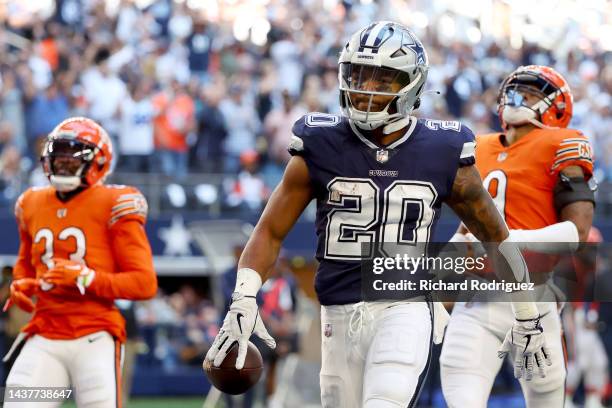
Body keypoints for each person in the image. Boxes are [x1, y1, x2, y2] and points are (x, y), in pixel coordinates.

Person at [206, 21, 547, 408]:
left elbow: (494, 235)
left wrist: (526, 314)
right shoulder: (320, 143)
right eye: (359, 74)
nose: (366, 88)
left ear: (411, 85)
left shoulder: (443, 149)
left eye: (383, 79)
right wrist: (244, 300)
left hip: (406, 308)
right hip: (336, 313)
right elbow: (269, 231)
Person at [440, 65, 596, 407]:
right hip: (478, 296)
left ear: (557, 107)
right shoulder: (476, 146)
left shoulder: (563, 142)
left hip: (535, 293)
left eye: (531, 93)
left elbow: (576, 232)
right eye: (514, 91)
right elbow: (466, 229)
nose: (518, 98)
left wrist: (508, 243)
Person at [3, 117, 158, 408]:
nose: (62, 164)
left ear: (98, 162)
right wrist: (22, 284)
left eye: (71, 158)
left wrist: (86, 278)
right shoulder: (31, 203)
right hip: (45, 333)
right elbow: (25, 263)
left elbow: (145, 283)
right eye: (57, 157)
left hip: (94, 334)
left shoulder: (116, 202)